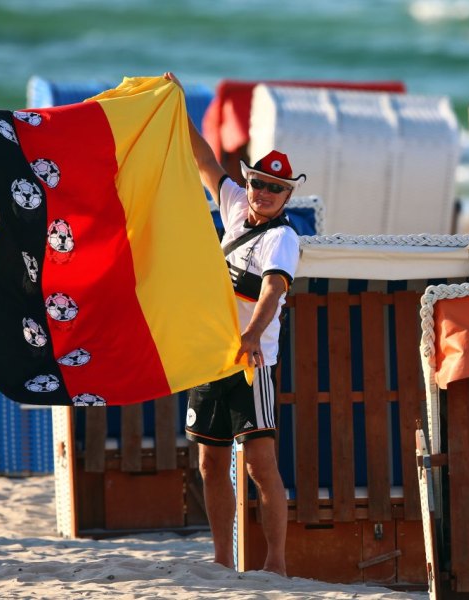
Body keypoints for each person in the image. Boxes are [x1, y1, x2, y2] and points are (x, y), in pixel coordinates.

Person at [164, 72, 305, 577]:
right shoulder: (235, 209)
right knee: (208, 464)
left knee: (259, 466)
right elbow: (204, 160)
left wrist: (250, 335)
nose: (264, 193)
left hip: (252, 363)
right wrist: (175, 105)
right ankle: (222, 560)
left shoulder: (282, 239)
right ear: (249, 183)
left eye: (275, 189)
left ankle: (276, 563)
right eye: (259, 184)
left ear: (286, 197)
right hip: (211, 356)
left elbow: (273, 290)